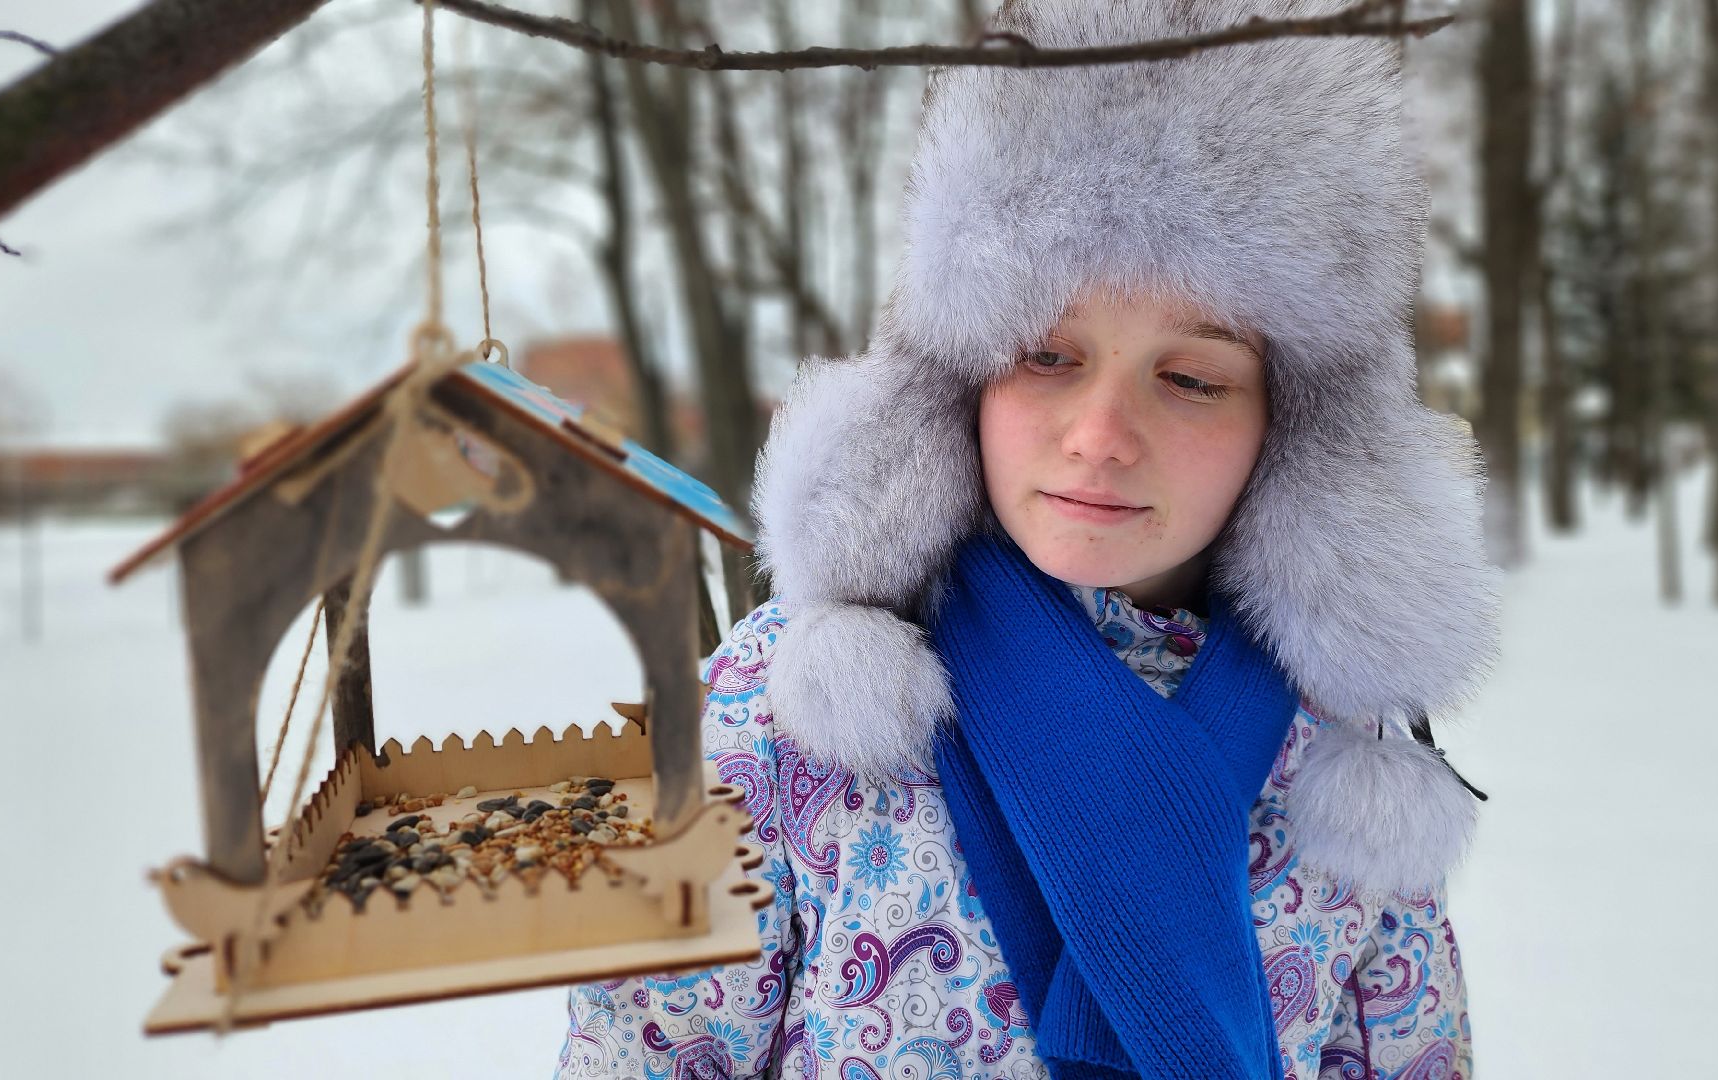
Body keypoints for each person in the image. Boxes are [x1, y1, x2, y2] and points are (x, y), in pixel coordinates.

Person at [556, 1, 1498, 1077]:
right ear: (956, 374)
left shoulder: (1348, 760)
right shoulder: (780, 712)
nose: (1099, 438)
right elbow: (645, 1052)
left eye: (1190, 379)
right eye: (1045, 357)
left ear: (1292, 428)